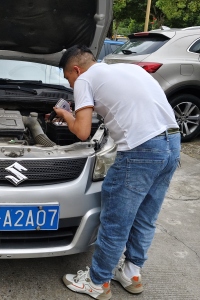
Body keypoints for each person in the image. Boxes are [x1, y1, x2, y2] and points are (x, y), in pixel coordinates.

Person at [53, 45, 181, 300]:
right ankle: (132, 274)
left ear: (76, 69)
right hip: (172, 143)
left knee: (116, 220)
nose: (70, 84)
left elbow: (82, 132)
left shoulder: (85, 79)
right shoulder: (129, 69)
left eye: (69, 78)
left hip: (141, 150)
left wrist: (65, 114)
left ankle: (97, 282)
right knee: (146, 216)